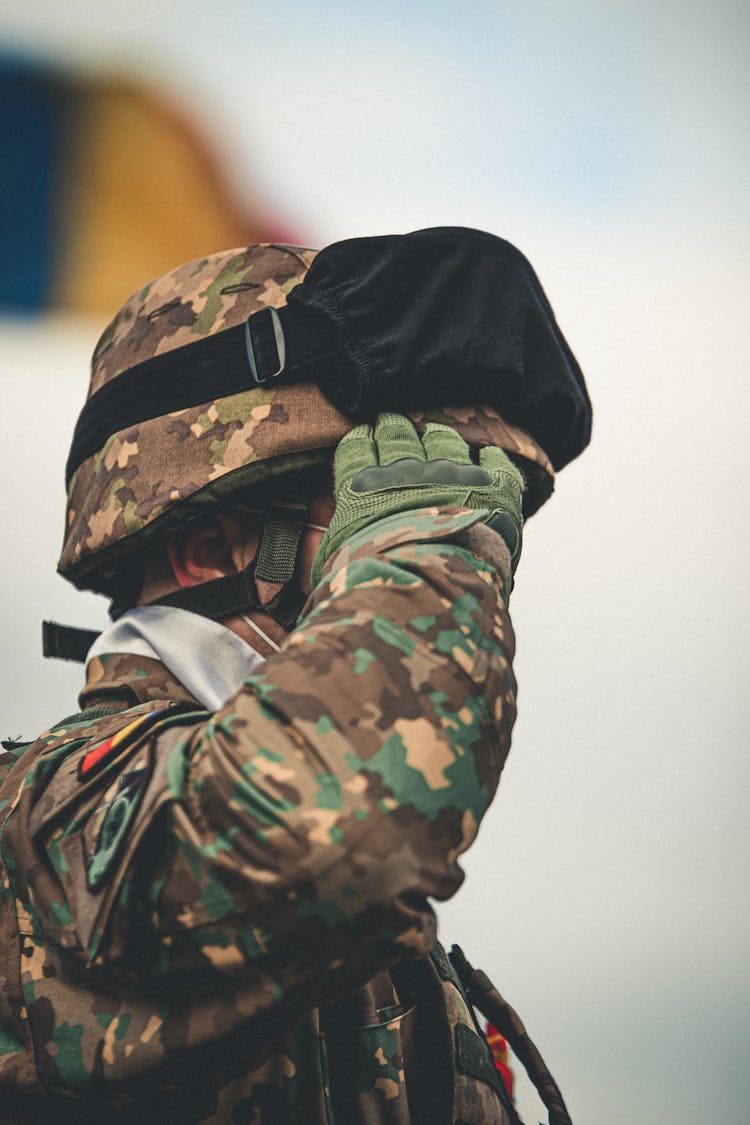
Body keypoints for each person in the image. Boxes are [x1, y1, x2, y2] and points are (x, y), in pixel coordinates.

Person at [0, 232, 590, 1124]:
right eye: (369, 505)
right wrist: (424, 549)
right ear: (210, 549)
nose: (470, 562)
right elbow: (340, 817)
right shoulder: (47, 820)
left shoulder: (400, 961)